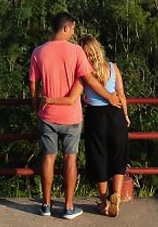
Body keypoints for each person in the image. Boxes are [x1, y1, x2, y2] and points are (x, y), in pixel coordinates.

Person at [29, 12, 118, 219]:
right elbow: (89, 80)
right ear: (68, 27)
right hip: (71, 116)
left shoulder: (38, 52)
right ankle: (69, 207)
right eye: (73, 29)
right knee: (71, 159)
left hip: (47, 114)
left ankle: (46, 205)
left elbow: (33, 84)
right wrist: (109, 97)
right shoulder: (76, 51)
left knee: (48, 158)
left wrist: (36, 106)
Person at [75, 35, 129, 217]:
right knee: (118, 155)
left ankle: (104, 201)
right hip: (116, 113)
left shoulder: (85, 71)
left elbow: (81, 91)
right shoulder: (113, 67)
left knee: (99, 156)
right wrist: (126, 115)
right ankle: (117, 194)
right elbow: (121, 94)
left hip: (96, 116)